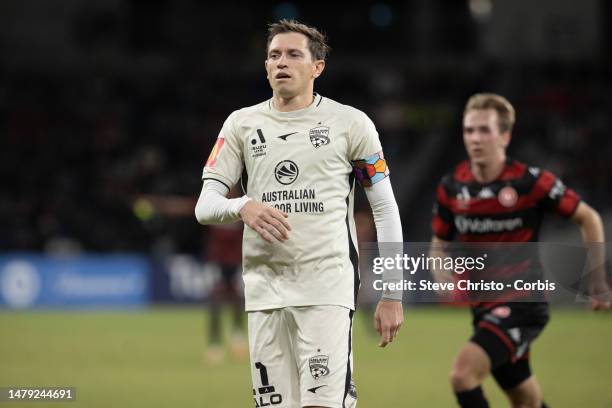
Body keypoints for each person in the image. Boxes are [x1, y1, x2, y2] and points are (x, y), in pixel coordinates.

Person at [195, 19, 404, 408]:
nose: (281, 63)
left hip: (326, 287)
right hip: (263, 292)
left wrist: (392, 291)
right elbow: (205, 206)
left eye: (293, 55)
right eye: (274, 55)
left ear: (317, 67)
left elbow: (384, 207)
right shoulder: (241, 124)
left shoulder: (351, 124)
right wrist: (243, 206)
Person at [430, 93, 611, 408]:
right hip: (484, 307)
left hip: (523, 304)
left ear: (505, 135)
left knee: (463, 375)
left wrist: (597, 282)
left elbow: (589, 218)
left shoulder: (531, 183)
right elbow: (438, 244)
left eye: (484, 130)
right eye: (469, 130)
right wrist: (440, 271)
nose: (475, 138)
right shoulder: (452, 187)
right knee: (526, 401)